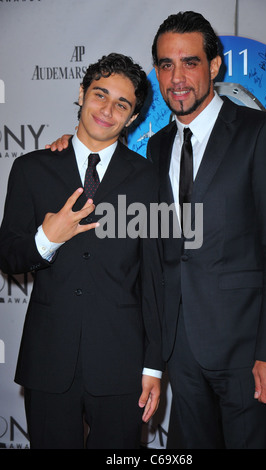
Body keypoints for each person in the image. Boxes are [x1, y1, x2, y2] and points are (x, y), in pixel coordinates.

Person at [46, 11, 266, 449]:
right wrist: (69, 145)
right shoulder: (157, 145)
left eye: (190, 62)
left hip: (246, 353)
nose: (177, 78)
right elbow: (106, 169)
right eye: (165, 64)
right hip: (179, 352)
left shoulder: (263, 133)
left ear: (215, 66)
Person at [0, 53, 164, 449]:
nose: (107, 110)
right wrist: (48, 238)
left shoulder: (147, 180)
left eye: (121, 104)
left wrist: (153, 365)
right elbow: (9, 256)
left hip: (123, 365)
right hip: (49, 360)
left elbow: (157, 279)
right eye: (100, 94)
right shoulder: (30, 168)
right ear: (81, 93)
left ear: (133, 118)